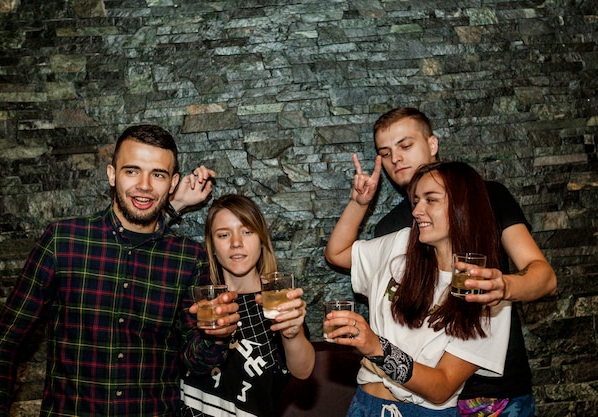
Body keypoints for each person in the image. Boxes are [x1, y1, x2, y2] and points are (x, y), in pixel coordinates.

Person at [0, 124, 240, 417]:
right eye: (132, 171)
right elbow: (3, 343)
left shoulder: (189, 258)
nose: (145, 185)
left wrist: (217, 336)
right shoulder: (63, 241)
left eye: (158, 174)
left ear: (173, 183)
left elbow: (196, 362)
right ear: (112, 174)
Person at [371, 107, 557, 416]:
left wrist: (505, 285)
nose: (397, 159)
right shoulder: (390, 227)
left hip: (490, 393)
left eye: (406, 145)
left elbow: (545, 277)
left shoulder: (488, 196)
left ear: (432, 144)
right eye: (385, 152)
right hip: (420, 396)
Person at [325, 159, 512, 416]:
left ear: (463, 207)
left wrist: (376, 347)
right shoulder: (400, 245)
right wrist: (359, 204)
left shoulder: (486, 289)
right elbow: (337, 253)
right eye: (416, 201)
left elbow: (442, 386)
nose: (416, 211)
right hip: (364, 404)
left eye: (430, 200)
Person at [179, 194, 315, 417]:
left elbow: (303, 371)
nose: (236, 243)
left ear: (261, 240)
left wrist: (292, 333)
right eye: (223, 235)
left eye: (247, 232)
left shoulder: (277, 302)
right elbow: (188, 360)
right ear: (212, 246)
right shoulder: (200, 302)